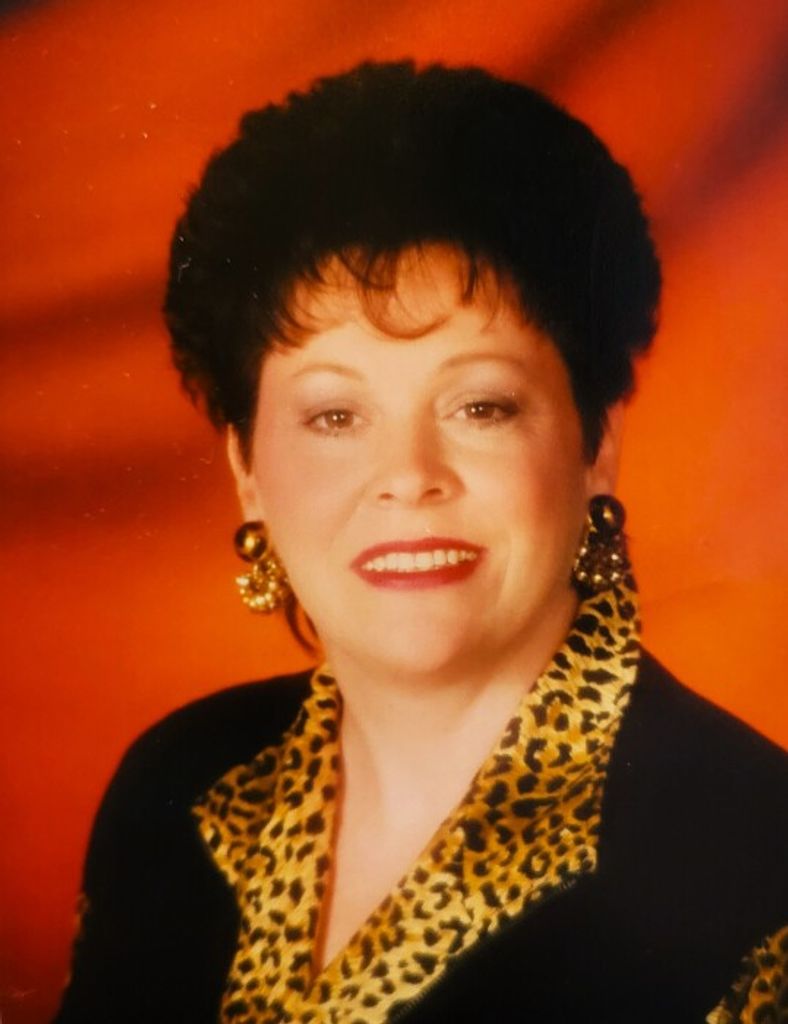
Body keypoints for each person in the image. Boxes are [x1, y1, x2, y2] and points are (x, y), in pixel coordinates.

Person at [54, 61, 786, 1024]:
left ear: (595, 444)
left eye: (480, 406)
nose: (408, 474)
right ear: (247, 469)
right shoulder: (177, 782)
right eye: (334, 417)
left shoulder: (756, 868)